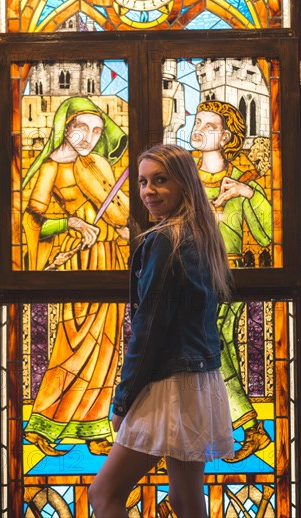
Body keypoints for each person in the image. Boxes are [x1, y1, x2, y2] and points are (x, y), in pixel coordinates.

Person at [89, 144, 234, 518]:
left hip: (168, 384)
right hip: (199, 381)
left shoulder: (164, 240)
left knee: (103, 494)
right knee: (187, 500)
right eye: (142, 182)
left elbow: (149, 326)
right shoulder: (202, 235)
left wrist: (123, 399)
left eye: (159, 181)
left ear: (184, 184)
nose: (148, 191)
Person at [22, 96, 130, 456]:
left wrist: (124, 231)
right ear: (64, 128)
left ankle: (95, 427)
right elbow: (33, 218)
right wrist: (70, 221)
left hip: (107, 256)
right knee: (72, 344)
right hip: (74, 261)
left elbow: (116, 208)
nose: (88, 137)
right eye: (81, 128)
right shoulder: (50, 168)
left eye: (97, 131)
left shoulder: (98, 164)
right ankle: (44, 424)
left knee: (107, 346)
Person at [190, 100, 272, 461]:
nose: (199, 128)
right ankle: (241, 428)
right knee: (209, 348)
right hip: (187, 276)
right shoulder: (183, 175)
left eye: (209, 125)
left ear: (225, 136)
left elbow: (268, 234)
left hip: (228, 275)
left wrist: (247, 194)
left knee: (213, 345)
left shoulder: (242, 180)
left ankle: (243, 426)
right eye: (197, 121)